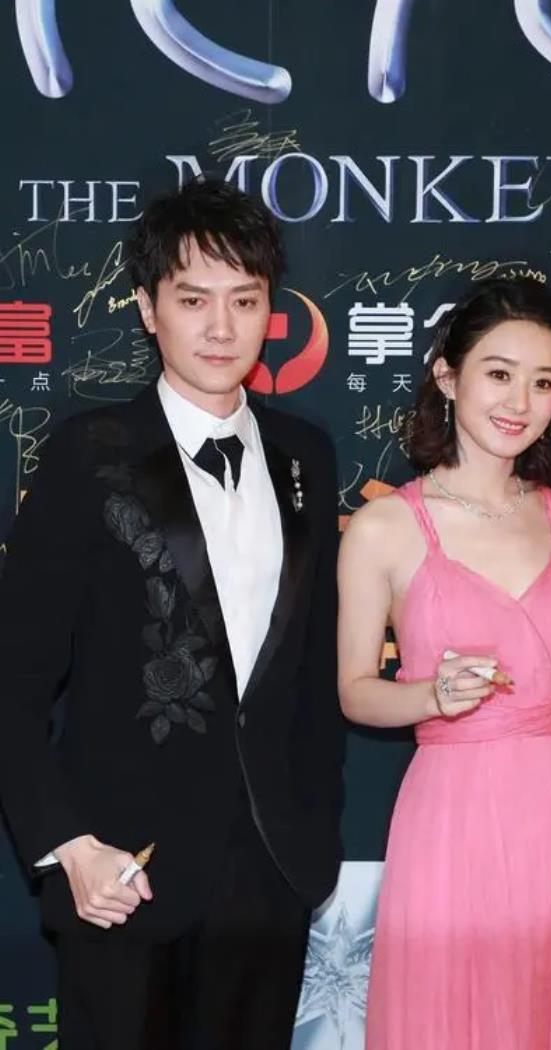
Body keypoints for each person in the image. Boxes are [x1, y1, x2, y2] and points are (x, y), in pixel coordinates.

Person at [0, 178, 344, 1049]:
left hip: (268, 878)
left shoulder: (305, 456)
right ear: (150, 309)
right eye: (194, 300)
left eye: (245, 300)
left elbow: (308, 673)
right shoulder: (89, 454)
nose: (221, 327)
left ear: (271, 309)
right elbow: (14, 676)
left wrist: (312, 836)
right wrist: (69, 846)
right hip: (123, 873)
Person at [337, 277, 551, 1050]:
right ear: (448, 377)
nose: (519, 401)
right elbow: (357, 693)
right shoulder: (386, 527)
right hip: (453, 814)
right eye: (499, 373)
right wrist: (430, 696)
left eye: (544, 382)